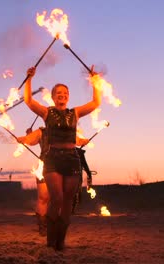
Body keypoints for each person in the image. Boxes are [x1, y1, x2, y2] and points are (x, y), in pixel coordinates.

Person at [24, 66, 101, 250]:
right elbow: (28, 100)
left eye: (65, 93)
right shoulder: (46, 112)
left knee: (68, 201)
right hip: (53, 159)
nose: (62, 95)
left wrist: (95, 82)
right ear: (53, 96)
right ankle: (51, 240)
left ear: (68, 96)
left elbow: (95, 103)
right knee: (57, 199)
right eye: (58, 93)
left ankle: (61, 241)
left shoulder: (74, 113)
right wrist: (29, 78)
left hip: (72, 159)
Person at [17, 127, 91, 237]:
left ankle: (55, 226)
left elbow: (77, 141)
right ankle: (43, 227)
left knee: (58, 198)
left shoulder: (67, 131)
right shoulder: (41, 131)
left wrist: (83, 141)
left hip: (64, 167)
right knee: (43, 197)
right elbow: (30, 140)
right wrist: (25, 138)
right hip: (45, 165)